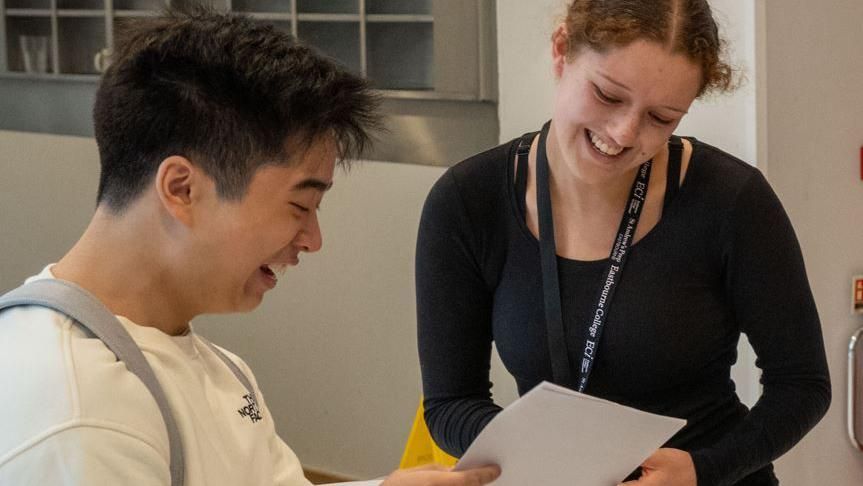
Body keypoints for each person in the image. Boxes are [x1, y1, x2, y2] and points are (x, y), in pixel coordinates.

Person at [0, 6, 500, 486]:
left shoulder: (209, 364)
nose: (312, 241)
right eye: (300, 207)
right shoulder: (78, 416)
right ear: (181, 189)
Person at [415, 1, 830, 485]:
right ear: (561, 49)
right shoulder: (468, 202)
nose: (624, 133)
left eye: (661, 117)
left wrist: (703, 469)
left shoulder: (730, 200)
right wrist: (546, 458)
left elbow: (802, 385)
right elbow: (449, 403)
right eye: (608, 95)